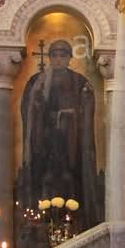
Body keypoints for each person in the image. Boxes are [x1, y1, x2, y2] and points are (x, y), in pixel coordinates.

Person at [18, 39, 101, 230]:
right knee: (43, 176)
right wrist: (38, 105)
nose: (58, 59)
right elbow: (28, 110)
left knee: (71, 177)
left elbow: (87, 109)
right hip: (44, 141)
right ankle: (38, 220)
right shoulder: (36, 81)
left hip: (72, 143)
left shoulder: (80, 82)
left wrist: (76, 112)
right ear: (49, 58)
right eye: (54, 55)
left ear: (70, 58)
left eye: (63, 55)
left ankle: (76, 220)